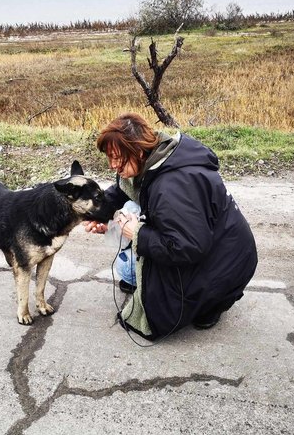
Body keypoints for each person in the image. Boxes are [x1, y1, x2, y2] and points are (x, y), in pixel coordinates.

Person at [85, 112, 257, 340]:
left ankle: (214, 302)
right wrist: (99, 216)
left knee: (151, 294)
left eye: (117, 158)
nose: (112, 165)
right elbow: (120, 192)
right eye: (109, 157)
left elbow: (187, 248)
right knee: (130, 261)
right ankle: (186, 292)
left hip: (226, 264)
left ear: (137, 150)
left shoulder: (172, 187)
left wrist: (136, 233)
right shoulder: (155, 158)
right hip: (216, 244)